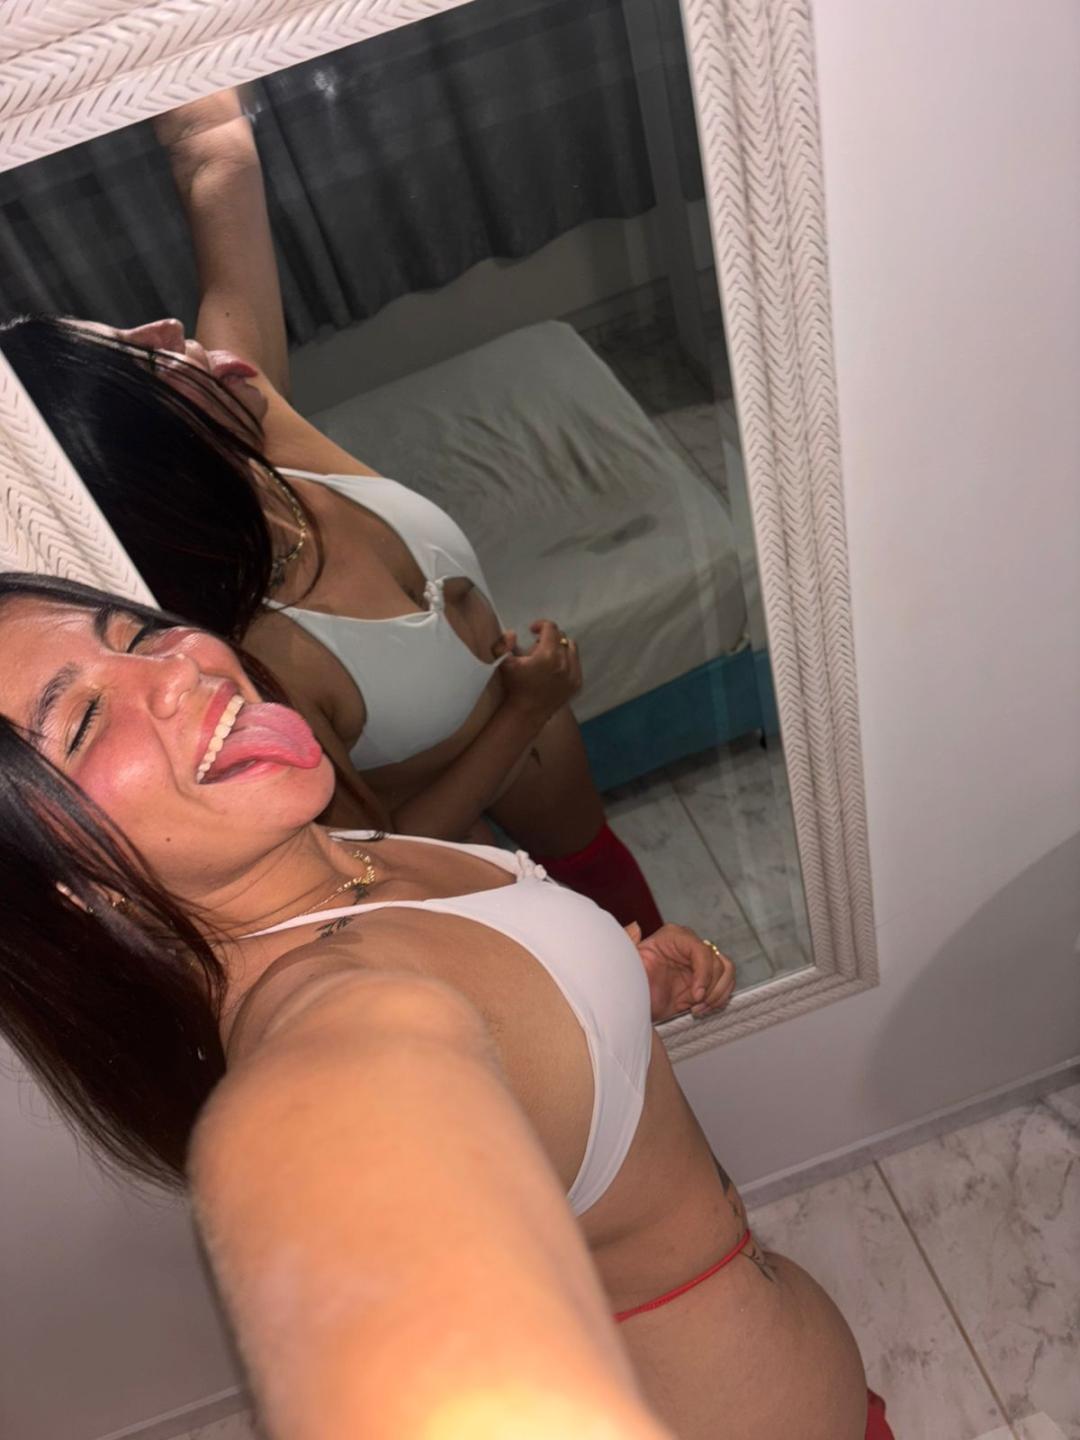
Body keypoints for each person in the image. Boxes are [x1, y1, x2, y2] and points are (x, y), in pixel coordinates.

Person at [0, 572, 893, 1440]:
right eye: (81, 720)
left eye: (139, 633)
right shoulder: (318, 1002)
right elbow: (347, 1103)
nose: (179, 669)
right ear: (68, 885)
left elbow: (498, 1012)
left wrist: (616, 989)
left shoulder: (315, 850)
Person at [0, 86, 663, 933]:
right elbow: (367, 856)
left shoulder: (255, 425)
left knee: (626, 906)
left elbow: (215, 150)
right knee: (554, 945)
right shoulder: (255, 651)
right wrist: (524, 710)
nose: (166, 327)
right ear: (153, 467)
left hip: (542, 754)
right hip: (449, 816)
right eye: (143, 361)